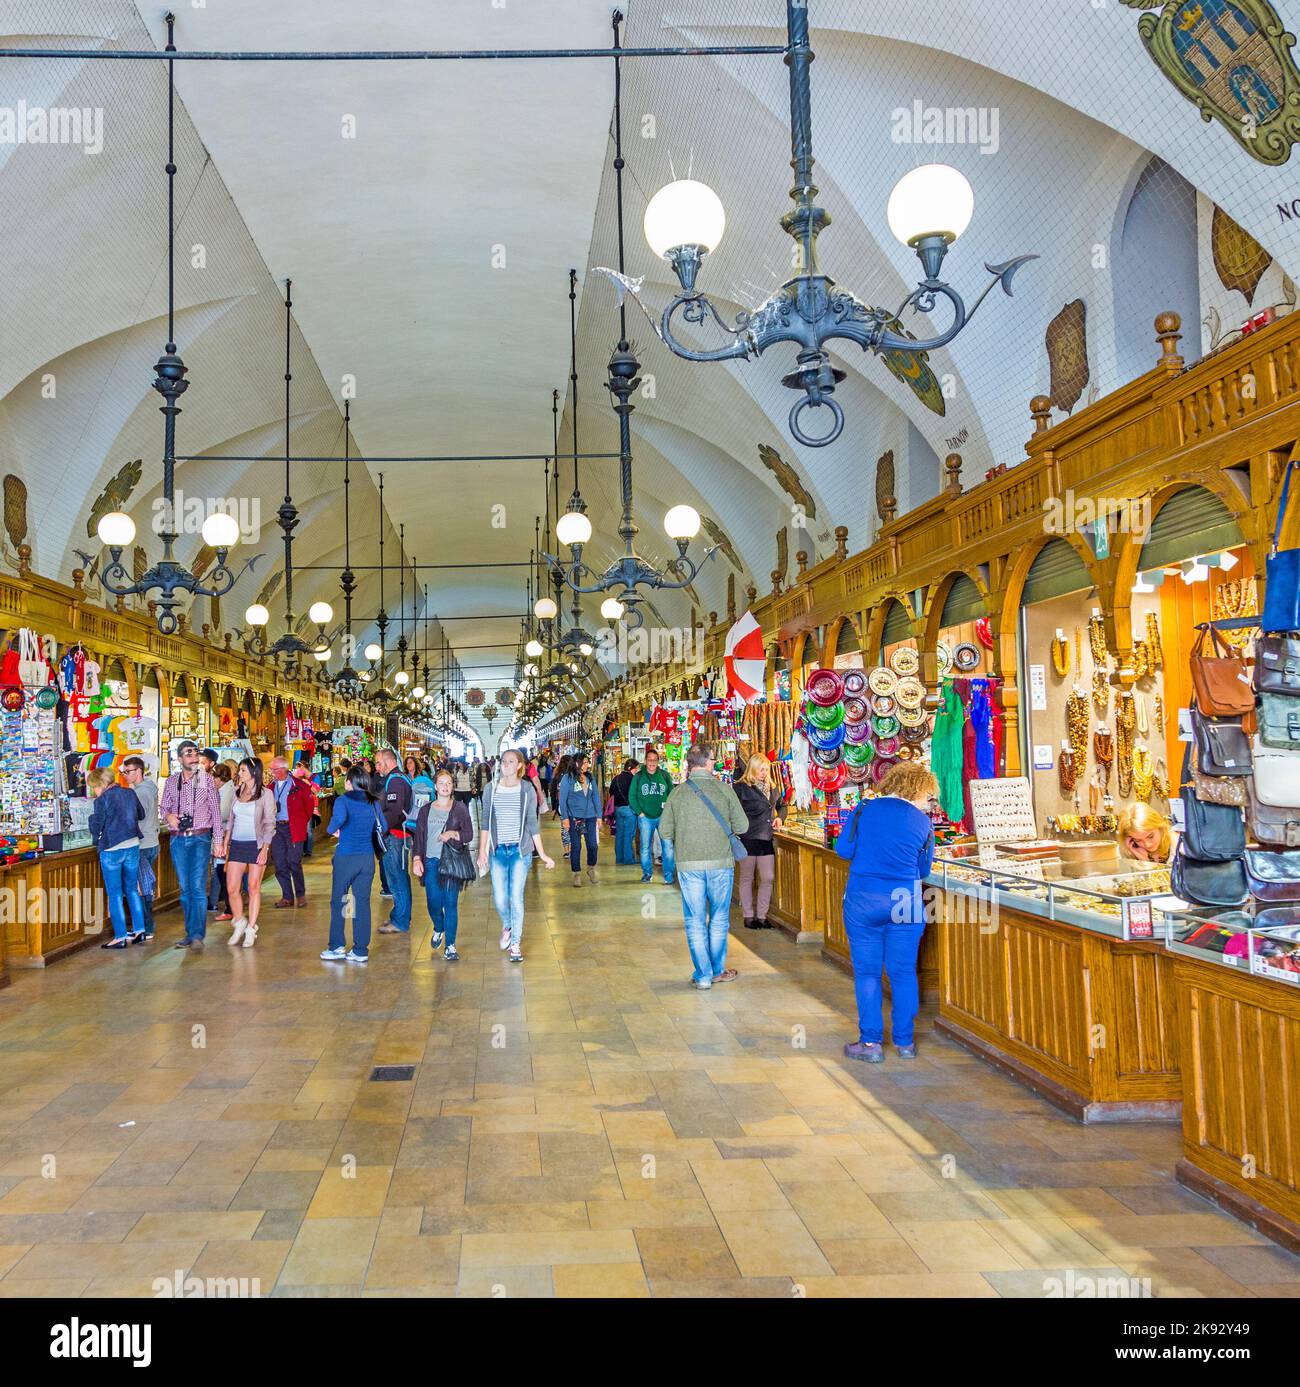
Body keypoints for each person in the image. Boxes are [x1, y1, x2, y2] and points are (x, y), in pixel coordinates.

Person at [834, 763, 938, 1063]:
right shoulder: (923, 824)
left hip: (864, 899)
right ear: (917, 790)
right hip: (905, 900)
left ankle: (870, 1044)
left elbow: (843, 849)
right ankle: (904, 1042)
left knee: (867, 973)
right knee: (903, 972)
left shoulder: (865, 809)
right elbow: (923, 870)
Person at [658, 743, 749, 990]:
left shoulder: (677, 794)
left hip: (689, 866)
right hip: (720, 864)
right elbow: (742, 827)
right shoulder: (724, 790)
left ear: (689, 763)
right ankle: (718, 970)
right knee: (719, 918)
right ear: (708, 763)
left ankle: (703, 976)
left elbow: (665, 831)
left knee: (695, 920)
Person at [478, 747, 555, 962]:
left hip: (520, 851)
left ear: (520, 765)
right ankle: (508, 925)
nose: (506, 764)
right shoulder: (490, 790)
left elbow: (532, 824)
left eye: (511, 761)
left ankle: (515, 945)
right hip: (497, 851)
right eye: (503, 761)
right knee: (501, 898)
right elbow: (485, 823)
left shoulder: (527, 790)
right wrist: (482, 852)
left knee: (516, 898)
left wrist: (543, 854)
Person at [161, 739, 222, 950]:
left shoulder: (204, 780)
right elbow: (164, 807)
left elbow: (216, 812)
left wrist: (218, 842)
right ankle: (190, 933)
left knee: (196, 887)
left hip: (200, 838)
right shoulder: (172, 781)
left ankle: (197, 934)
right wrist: (169, 816)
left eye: (196, 753)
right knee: (185, 888)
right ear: (179, 759)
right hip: (178, 838)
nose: (194, 757)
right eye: (189, 753)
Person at [412, 768, 476, 961]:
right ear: (435, 786)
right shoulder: (425, 810)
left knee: (450, 904)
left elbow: (469, 834)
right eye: (442, 783)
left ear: (453, 786)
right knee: (433, 903)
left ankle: (450, 945)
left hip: (451, 862)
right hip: (431, 861)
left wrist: (453, 834)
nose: (445, 787)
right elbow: (419, 838)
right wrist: (416, 859)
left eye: (449, 783)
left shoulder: (460, 809)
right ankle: (438, 927)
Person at [321, 765, 380, 964]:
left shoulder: (342, 800)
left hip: (346, 857)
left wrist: (336, 830)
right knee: (361, 902)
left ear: (349, 782)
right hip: (367, 859)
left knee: (340, 900)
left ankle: (337, 946)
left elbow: (334, 823)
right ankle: (360, 950)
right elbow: (384, 827)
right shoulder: (373, 802)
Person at [87, 766, 146, 949]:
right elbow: (141, 814)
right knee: (132, 890)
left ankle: (120, 936)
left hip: (112, 849)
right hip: (133, 845)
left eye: (94, 787)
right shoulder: (129, 793)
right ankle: (139, 930)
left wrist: (91, 818)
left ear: (100, 784)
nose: (94, 791)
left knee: (114, 894)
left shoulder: (102, 800)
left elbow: (96, 828)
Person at [220, 758, 276, 947]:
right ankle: (239, 920)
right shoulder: (237, 792)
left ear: (253, 772)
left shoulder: (265, 794)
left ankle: (251, 928)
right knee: (232, 888)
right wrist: (225, 842)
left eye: (243, 770)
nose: (239, 773)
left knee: (253, 887)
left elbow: (270, 823)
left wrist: (265, 849)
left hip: (256, 844)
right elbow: (231, 821)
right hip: (237, 844)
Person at [733, 754, 785, 929]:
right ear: (753, 768)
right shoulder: (741, 787)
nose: (764, 773)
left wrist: (780, 819)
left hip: (766, 838)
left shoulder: (772, 787)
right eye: (761, 769)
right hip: (748, 838)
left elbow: (782, 806)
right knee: (747, 877)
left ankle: (762, 916)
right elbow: (733, 810)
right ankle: (749, 916)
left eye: (766, 769)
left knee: (768, 877)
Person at [374, 747, 414, 935]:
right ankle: (400, 915)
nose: (376, 767)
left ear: (389, 762)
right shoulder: (396, 778)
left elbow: (394, 811)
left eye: (378, 763)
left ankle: (400, 921)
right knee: (399, 878)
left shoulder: (396, 781)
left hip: (395, 836)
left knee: (396, 878)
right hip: (398, 836)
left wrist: (381, 830)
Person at [120, 755, 159, 939]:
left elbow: (137, 816)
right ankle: (144, 925)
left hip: (142, 844)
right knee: (144, 885)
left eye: (128, 772)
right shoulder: (148, 788)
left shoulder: (141, 793)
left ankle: (146, 927)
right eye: (124, 772)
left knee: (141, 887)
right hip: (150, 842)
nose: (125, 775)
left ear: (139, 771)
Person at [268, 757, 314, 908]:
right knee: (280, 863)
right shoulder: (269, 787)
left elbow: (308, 807)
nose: (271, 772)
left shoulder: (299, 785)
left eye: (273, 769)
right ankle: (287, 896)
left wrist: (300, 822)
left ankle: (300, 894)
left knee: (294, 861)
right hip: (276, 829)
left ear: (283, 769)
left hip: (293, 828)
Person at [629, 745, 675, 885]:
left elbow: (672, 795)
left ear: (658, 761)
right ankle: (647, 874)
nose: (652, 763)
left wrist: (669, 812)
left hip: (663, 817)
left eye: (655, 760)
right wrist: (640, 812)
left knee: (667, 846)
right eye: (649, 760)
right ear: (645, 761)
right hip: (645, 818)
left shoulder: (665, 776)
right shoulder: (638, 776)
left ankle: (668, 876)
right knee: (645, 847)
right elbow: (632, 796)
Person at [559, 751, 600, 887]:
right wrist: (565, 818)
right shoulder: (567, 778)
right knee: (576, 846)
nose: (587, 764)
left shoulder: (590, 778)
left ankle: (591, 868)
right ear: (577, 763)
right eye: (585, 762)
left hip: (590, 817)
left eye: (588, 762)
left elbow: (595, 797)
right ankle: (576, 873)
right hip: (574, 817)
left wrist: (599, 815)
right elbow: (562, 800)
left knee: (593, 845)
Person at [209, 761, 236, 921]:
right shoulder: (224, 790)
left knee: (224, 873)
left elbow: (223, 814)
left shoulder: (227, 791)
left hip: (225, 837)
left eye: (213, 778)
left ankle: (229, 907)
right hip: (222, 836)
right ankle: (229, 906)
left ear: (219, 778)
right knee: (222, 872)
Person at [609, 758, 639, 866]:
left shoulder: (616, 778)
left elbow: (611, 791)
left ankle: (619, 858)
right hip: (629, 810)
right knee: (628, 835)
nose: (637, 771)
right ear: (631, 768)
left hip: (618, 809)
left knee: (619, 834)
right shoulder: (633, 779)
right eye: (636, 768)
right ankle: (628, 859)